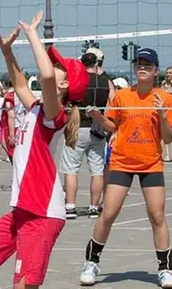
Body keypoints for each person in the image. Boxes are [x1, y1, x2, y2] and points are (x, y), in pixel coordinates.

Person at [0, 11, 88, 289]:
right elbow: (21, 83)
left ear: (65, 85)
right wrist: (7, 52)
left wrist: (33, 34)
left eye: (59, 66)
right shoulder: (37, 107)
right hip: (23, 210)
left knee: (22, 286)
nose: (53, 65)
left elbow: (46, 75)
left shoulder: (54, 114)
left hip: (42, 213)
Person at [81, 47, 172, 288]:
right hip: (122, 161)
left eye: (147, 65)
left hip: (151, 163)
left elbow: (168, 138)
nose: (142, 68)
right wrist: (97, 116)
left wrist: (162, 114)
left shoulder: (164, 98)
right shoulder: (123, 96)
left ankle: (165, 268)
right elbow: (112, 126)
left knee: (157, 215)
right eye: (139, 64)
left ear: (156, 70)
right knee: (108, 213)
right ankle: (91, 263)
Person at [61, 49, 113, 219]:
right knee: (97, 170)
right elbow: (113, 101)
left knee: (71, 169)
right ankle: (93, 206)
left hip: (77, 125)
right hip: (98, 127)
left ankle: (70, 206)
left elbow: (64, 98)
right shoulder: (106, 82)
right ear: (97, 63)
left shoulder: (77, 80)